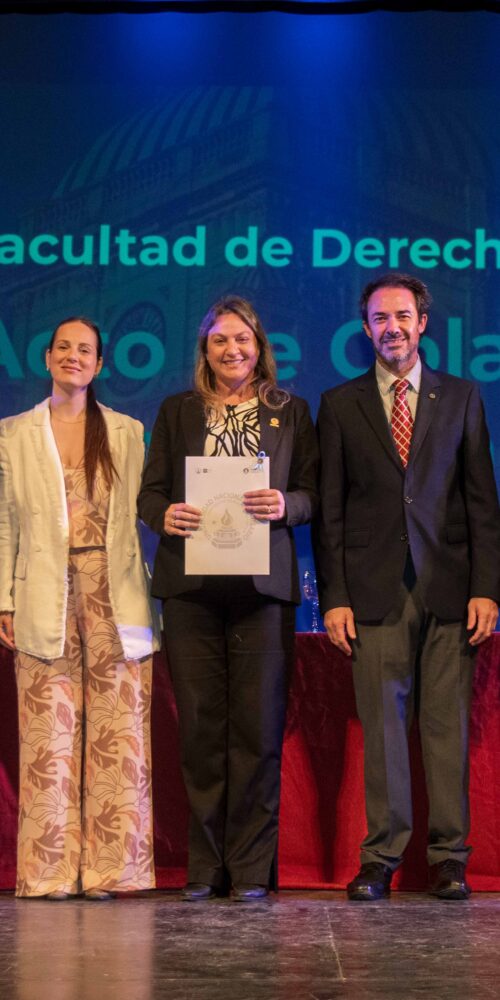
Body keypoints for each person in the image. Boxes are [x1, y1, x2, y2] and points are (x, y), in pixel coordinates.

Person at [314, 273, 500, 902]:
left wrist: (487, 587)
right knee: (384, 730)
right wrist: (335, 597)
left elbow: (482, 502)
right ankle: (381, 859)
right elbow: (331, 513)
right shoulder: (339, 404)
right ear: (365, 328)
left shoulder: (463, 397)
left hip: (450, 588)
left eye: (401, 316)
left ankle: (449, 860)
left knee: (445, 727)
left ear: (422, 322)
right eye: (378, 318)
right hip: (373, 591)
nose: (390, 327)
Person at [138, 295, 318, 902]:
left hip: (262, 593)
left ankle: (250, 871)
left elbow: (314, 492)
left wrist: (287, 505)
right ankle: (205, 867)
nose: (231, 349)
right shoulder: (178, 410)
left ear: (259, 346)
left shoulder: (290, 411)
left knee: (257, 733)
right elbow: (150, 494)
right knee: (201, 732)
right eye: (219, 340)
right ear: (205, 349)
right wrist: (164, 514)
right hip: (191, 591)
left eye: (242, 339)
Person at [0, 316, 160, 900]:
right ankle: (49, 872)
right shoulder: (13, 433)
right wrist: (3, 598)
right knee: (49, 733)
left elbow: (149, 508)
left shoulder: (126, 431)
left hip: (116, 592)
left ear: (100, 364)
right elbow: (4, 523)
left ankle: (112, 870)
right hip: (44, 592)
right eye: (63, 347)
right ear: (46, 358)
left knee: (120, 732)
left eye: (84, 350)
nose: (73, 356)